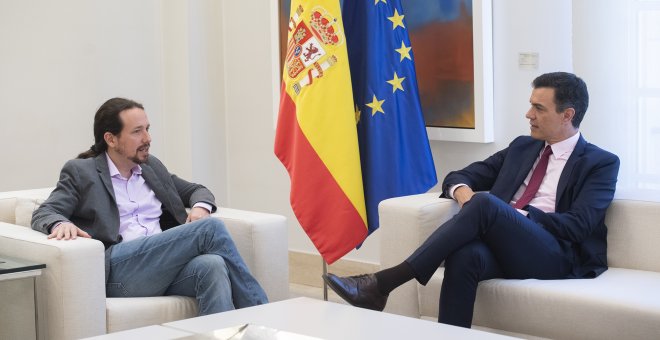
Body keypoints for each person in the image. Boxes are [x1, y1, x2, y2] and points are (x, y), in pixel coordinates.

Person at [323, 72, 620, 328]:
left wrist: (516, 217)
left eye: (538, 108)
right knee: (466, 255)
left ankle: (383, 283)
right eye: (530, 105)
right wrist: (463, 193)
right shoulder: (522, 148)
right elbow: (459, 175)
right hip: (507, 247)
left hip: (555, 254)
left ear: (567, 115)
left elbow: (579, 226)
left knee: (487, 205)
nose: (528, 114)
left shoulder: (600, 163)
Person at [32, 97, 267, 315]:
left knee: (212, 265)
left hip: (158, 266)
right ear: (111, 139)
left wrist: (200, 208)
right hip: (119, 271)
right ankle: (262, 315)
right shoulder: (82, 172)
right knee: (211, 229)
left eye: (147, 129)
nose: (147, 138)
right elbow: (46, 211)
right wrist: (61, 223)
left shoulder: (151, 167)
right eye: (137, 132)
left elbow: (197, 190)